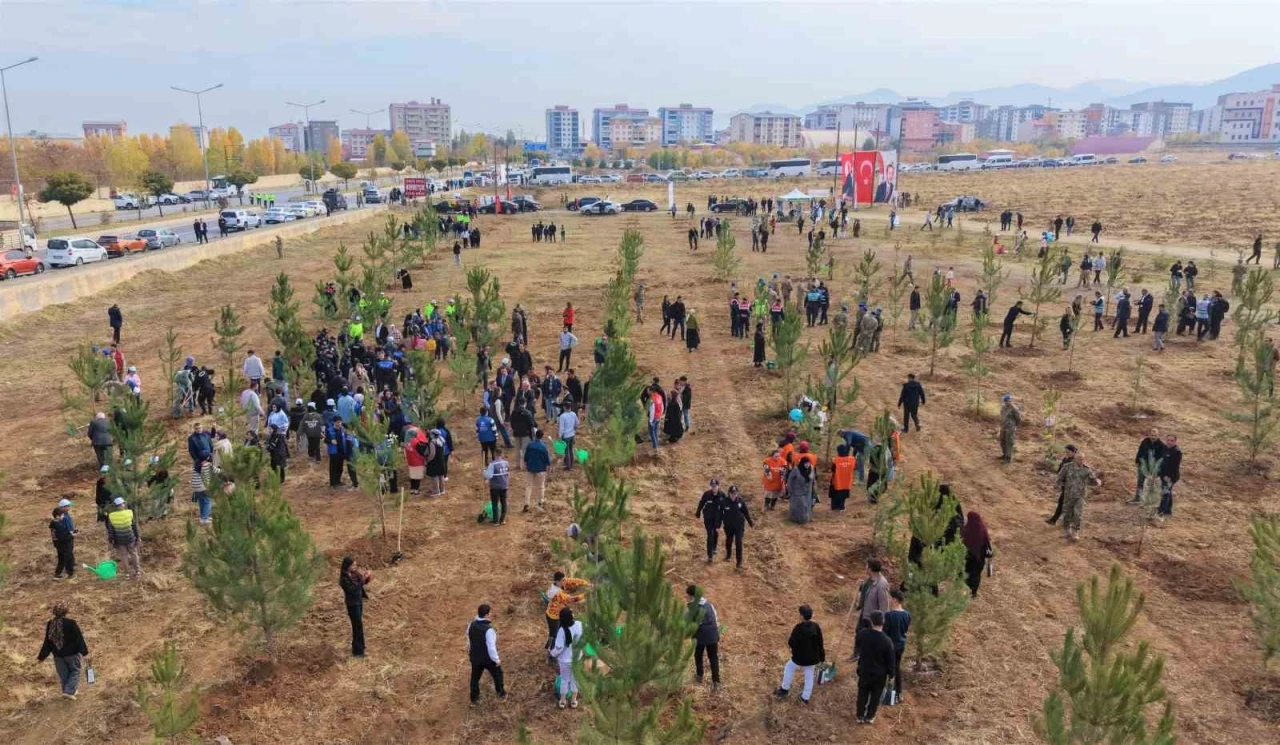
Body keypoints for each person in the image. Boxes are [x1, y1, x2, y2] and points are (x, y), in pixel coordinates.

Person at [37, 603, 90, 699]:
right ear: (66, 612)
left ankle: (68, 691)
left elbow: (47, 642)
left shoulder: (50, 624)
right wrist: (85, 653)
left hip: (57, 655)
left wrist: (42, 657)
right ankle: (68, 692)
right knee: (75, 671)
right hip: (72, 654)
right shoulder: (71, 623)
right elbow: (79, 639)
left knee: (64, 674)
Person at [774, 605, 824, 704]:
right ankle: (805, 697)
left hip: (800, 658)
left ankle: (784, 689)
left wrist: (792, 647)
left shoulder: (798, 628)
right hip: (813, 658)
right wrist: (822, 657)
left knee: (789, 668)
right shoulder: (816, 626)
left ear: (802, 616)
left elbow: (791, 643)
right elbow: (820, 642)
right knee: (809, 676)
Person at [855, 611, 896, 725]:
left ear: (871, 622)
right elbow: (891, 661)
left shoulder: (862, 634)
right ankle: (870, 716)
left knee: (862, 693)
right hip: (879, 674)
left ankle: (860, 715)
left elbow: (857, 645)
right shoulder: (887, 641)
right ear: (883, 622)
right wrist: (891, 675)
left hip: (864, 670)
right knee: (875, 696)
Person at [1057, 450, 1102, 541]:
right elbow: (1060, 478)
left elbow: (1092, 481)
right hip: (1069, 495)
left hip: (1080, 495)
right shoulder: (1067, 467)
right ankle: (1067, 529)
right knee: (1067, 513)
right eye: (1079, 459)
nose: (1081, 461)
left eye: (1082, 459)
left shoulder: (1086, 469)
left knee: (1078, 514)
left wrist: (1097, 482)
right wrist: (1063, 486)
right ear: (1074, 459)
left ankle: (1075, 532)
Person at [467, 604, 506, 705]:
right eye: (490, 612)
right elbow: (491, 648)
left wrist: (470, 652)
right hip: (487, 659)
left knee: (475, 678)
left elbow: (469, 640)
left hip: (475, 657)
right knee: (498, 674)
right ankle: (501, 693)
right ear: (487, 615)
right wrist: (496, 660)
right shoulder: (489, 630)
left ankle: (474, 698)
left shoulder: (471, 625)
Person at [686, 585, 722, 690]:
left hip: (699, 636)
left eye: (687, 596)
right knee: (713, 658)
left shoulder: (691, 607)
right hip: (712, 634)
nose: (687, 597)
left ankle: (699, 676)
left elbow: (688, 622)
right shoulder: (709, 604)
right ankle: (716, 682)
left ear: (691, 596)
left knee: (698, 655)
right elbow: (716, 619)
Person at [545, 572, 590, 648]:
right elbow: (572, 599)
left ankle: (559, 646)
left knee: (560, 631)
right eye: (563, 580)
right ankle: (549, 648)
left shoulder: (559, 584)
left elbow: (573, 581)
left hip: (559, 613)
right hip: (553, 616)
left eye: (564, 579)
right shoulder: (556, 593)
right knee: (553, 634)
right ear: (557, 581)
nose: (565, 581)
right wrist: (586, 594)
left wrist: (586, 583)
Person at [883, 590, 911, 704]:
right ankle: (899, 693)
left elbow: (885, 633)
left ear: (894, 600)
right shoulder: (907, 614)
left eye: (890, 598)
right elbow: (905, 629)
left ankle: (886, 692)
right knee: (896, 668)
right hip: (901, 645)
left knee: (886, 668)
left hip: (890, 646)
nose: (889, 600)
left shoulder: (889, 615)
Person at [339, 557, 370, 657]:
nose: (355, 567)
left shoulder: (355, 573)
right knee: (357, 626)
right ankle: (357, 651)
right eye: (353, 565)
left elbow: (363, 582)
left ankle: (360, 648)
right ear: (347, 566)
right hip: (352, 604)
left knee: (358, 626)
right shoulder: (344, 579)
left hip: (358, 602)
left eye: (355, 565)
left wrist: (367, 577)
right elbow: (353, 590)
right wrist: (362, 580)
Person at [105, 496, 141, 578]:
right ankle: (137, 571)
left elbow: (110, 530)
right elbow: (134, 526)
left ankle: (127, 573)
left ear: (116, 506)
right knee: (134, 554)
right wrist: (137, 536)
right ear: (123, 504)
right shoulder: (129, 513)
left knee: (123, 556)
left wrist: (111, 540)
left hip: (119, 540)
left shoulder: (111, 516)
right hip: (130, 537)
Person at [1128, 429, 1166, 504]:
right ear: (1149, 435)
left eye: (1155, 436)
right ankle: (1138, 498)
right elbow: (1140, 451)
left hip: (1153, 469)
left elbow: (1161, 459)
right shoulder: (1145, 441)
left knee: (1152, 485)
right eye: (1152, 435)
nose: (1153, 437)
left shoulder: (1161, 445)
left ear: (1158, 436)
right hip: (1143, 466)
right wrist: (1137, 461)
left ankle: (1151, 501)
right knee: (1140, 482)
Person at [720, 485, 754, 568]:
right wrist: (717, 524)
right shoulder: (724, 502)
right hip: (728, 525)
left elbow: (745, 512)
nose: (734, 495)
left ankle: (739, 563)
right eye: (732, 493)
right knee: (729, 540)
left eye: (735, 493)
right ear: (729, 493)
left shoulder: (740, 501)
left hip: (739, 525)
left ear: (737, 493)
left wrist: (750, 522)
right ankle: (728, 555)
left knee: (738, 542)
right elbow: (719, 514)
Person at [961, 511, 992, 597]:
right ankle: (973, 593)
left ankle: (965, 591)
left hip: (967, 558)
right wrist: (989, 556)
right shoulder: (983, 529)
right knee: (976, 575)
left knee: (967, 574)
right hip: (979, 559)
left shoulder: (965, 529)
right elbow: (987, 545)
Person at [696, 480, 727, 563]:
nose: (713, 488)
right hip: (708, 518)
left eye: (715, 486)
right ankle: (710, 556)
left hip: (718, 519)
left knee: (716, 533)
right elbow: (701, 503)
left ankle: (714, 547)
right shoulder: (706, 494)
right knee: (710, 535)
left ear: (718, 486)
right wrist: (698, 512)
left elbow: (726, 506)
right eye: (712, 486)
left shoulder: (722, 495)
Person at [50, 499, 77, 579]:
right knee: (67, 558)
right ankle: (70, 574)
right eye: (62, 515)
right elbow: (63, 537)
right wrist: (72, 535)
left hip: (58, 545)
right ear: (58, 516)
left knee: (61, 559)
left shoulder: (53, 523)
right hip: (64, 545)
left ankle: (57, 573)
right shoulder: (59, 526)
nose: (63, 516)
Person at [1157, 434, 1182, 518]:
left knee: (1165, 493)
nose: (1169, 442)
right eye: (1168, 440)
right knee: (1168, 492)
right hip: (1163, 475)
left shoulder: (1177, 452)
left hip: (1170, 476)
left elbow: (1174, 467)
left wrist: (1168, 476)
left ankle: (1161, 511)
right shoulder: (1165, 448)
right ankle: (1168, 510)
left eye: (1172, 441)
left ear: (1175, 441)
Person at [483, 452, 510, 526]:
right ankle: (502, 520)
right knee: (504, 502)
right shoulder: (506, 463)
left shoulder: (492, 464)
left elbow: (489, 476)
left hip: (495, 487)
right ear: (502, 454)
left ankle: (496, 521)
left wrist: (484, 472)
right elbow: (508, 473)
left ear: (495, 454)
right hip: (504, 485)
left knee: (495, 503)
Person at [786, 458, 815, 524]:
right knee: (801, 506)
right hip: (797, 491)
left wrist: (813, 490)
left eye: (808, 463)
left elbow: (813, 480)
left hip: (808, 491)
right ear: (802, 463)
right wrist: (790, 489)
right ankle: (799, 519)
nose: (807, 465)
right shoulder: (796, 470)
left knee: (807, 505)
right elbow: (790, 479)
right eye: (806, 463)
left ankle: (805, 518)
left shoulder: (811, 469)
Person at [998, 394, 1022, 462]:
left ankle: (1008, 458)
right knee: (1002, 440)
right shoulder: (1003, 407)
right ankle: (1004, 454)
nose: (1009, 402)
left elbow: (1018, 418)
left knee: (1009, 442)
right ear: (1005, 401)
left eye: (1010, 401)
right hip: (1003, 426)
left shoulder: (1014, 408)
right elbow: (1002, 416)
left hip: (1010, 427)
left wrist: (1014, 426)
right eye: (1007, 401)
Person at [557, 402, 579, 470]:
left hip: (565, 436)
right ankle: (571, 464)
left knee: (567, 451)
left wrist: (559, 436)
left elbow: (561, 428)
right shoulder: (573, 414)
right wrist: (574, 430)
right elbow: (577, 424)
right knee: (571, 450)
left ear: (564, 407)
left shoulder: (562, 416)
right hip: (572, 434)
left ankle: (568, 466)